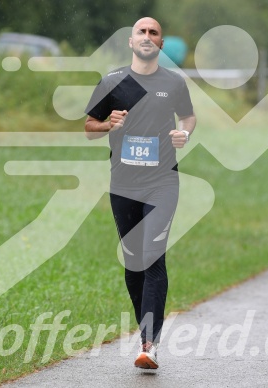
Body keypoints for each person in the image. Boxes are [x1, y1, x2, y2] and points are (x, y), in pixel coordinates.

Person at [84, 17, 196, 369]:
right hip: (123, 185)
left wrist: (184, 134)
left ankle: (149, 343)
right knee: (133, 264)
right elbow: (89, 128)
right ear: (130, 42)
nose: (147, 37)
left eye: (154, 33)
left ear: (161, 44)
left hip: (163, 182)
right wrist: (108, 124)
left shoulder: (173, 83)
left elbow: (189, 117)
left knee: (152, 256)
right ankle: (147, 333)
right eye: (141, 32)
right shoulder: (113, 81)